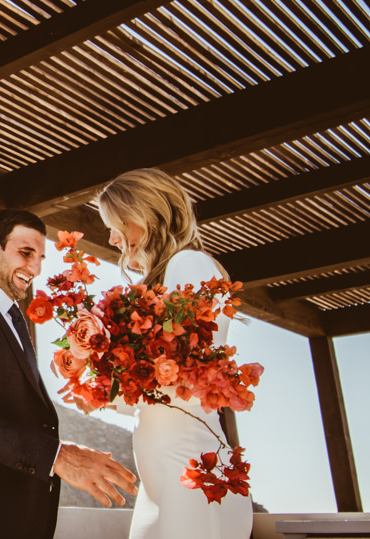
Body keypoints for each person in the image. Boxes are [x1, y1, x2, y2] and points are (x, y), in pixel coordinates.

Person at [0, 209, 138, 539]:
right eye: (25, 253)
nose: (35, 268)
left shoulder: (16, 323)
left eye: (39, 257)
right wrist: (59, 457)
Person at [96, 168, 253, 539]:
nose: (113, 238)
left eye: (117, 224)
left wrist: (110, 373)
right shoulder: (164, 277)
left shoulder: (189, 264)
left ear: (146, 216)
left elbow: (182, 371)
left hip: (188, 468)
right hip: (163, 477)